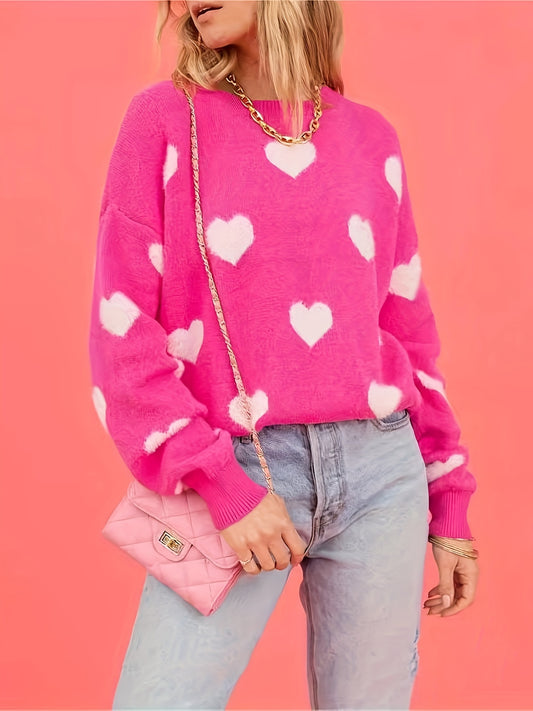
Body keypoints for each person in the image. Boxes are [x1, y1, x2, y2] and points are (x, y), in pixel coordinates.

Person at [88, 1, 480, 708]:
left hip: (382, 473)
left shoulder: (371, 138)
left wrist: (449, 504)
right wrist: (223, 486)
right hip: (234, 463)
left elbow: (406, 327)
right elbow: (122, 334)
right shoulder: (165, 120)